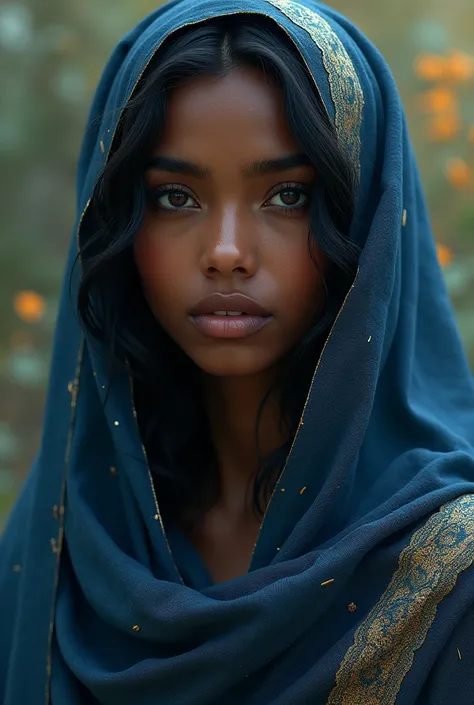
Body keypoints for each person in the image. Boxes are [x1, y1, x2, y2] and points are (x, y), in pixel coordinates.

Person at [1, 0, 474, 702]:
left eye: (286, 195)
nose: (225, 252)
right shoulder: (61, 548)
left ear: (366, 228)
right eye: (174, 198)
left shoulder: (451, 576)